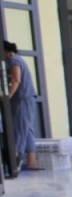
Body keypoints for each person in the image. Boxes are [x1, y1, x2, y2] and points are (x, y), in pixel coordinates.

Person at [3, 41, 41, 171]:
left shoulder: (13, 60)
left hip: (22, 99)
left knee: (19, 128)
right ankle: (31, 162)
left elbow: (16, 79)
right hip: (28, 98)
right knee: (27, 128)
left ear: (6, 51)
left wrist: (8, 97)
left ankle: (14, 162)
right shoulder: (17, 59)